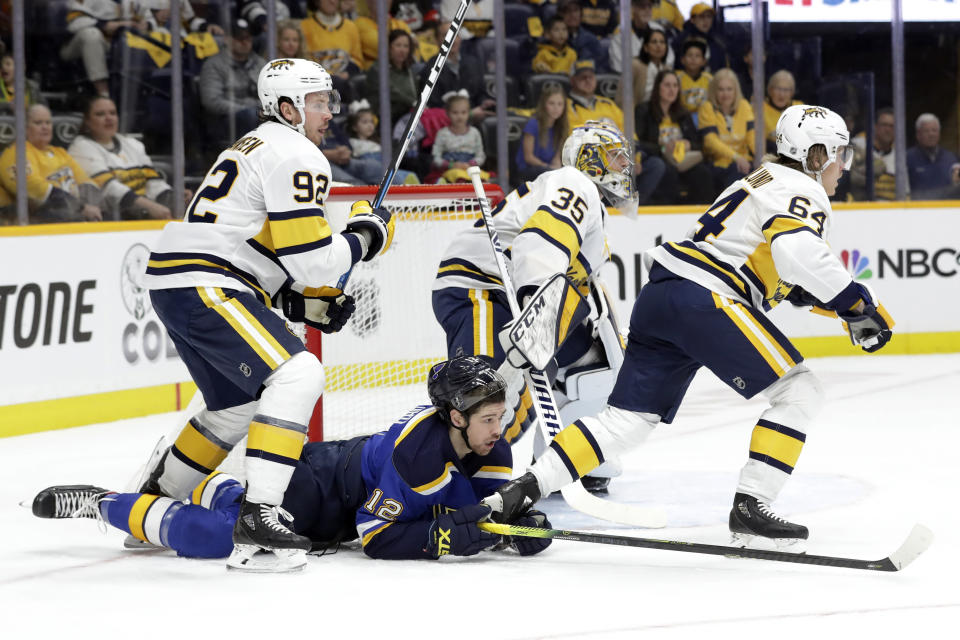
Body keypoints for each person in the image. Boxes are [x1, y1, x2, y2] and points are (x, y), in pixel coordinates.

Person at [489, 104, 896, 551]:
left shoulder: (761, 179)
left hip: (663, 295)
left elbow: (780, 271)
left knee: (626, 420)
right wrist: (862, 304)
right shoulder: (802, 187)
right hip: (707, 297)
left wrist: (845, 311)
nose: (843, 165)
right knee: (800, 390)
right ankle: (752, 506)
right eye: (839, 154)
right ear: (814, 155)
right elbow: (800, 255)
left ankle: (521, 490)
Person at [138, 58, 396, 572]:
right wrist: (366, 236)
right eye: (318, 102)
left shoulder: (256, 145)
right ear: (288, 108)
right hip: (205, 280)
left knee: (233, 410)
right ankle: (259, 517)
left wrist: (302, 303)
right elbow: (313, 260)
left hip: (183, 279)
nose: (329, 112)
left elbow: (257, 254)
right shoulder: (295, 153)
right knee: (299, 372)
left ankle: (151, 502)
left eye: (328, 100)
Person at [30, 357, 552, 564]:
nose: (499, 429)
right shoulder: (416, 454)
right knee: (219, 537)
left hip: (346, 490)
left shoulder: (491, 442)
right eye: (488, 419)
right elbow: (377, 537)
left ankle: (203, 484)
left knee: (230, 514)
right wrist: (447, 538)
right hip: (322, 486)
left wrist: (512, 526)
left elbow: (480, 506)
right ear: (455, 418)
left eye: (501, 416)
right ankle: (105, 503)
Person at [432, 120, 639, 492]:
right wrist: (537, 309)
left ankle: (565, 462)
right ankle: (442, 477)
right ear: (590, 159)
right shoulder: (575, 183)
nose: (624, 165)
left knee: (598, 364)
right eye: (615, 157)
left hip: (522, 299)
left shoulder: (596, 223)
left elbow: (584, 295)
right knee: (482, 392)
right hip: (482, 286)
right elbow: (540, 240)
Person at [69, 95, 189, 220]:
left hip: (145, 213)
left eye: (113, 113)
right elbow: (110, 190)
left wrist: (173, 198)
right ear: (87, 121)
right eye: (100, 114)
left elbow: (154, 183)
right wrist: (150, 207)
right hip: (110, 219)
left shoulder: (133, 144)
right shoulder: (80, 147)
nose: (109, 118)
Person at [0, 104, 103, 223]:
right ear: (25, 128)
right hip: (36, 221)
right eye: (38, 123)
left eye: (48, 123)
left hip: (73, 214)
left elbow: (84, 180)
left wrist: (92, 206)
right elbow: (33, 188)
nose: (45, 127)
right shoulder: (16, 153)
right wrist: (81, 207)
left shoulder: (60, 153)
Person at [635, 69, 713, 204]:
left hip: (683, 160)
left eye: (675, 85)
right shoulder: (644, 110)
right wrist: (663, 148)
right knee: (668, 172)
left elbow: (699, 144)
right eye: (667, 85)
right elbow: (638, 142)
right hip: (658, 157)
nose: (672, 90)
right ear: (657, 87)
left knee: (703, 173)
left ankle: (698, 214)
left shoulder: (683, 113)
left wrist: (688, 144)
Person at [198, 19, 265, 151]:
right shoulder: (214, 65)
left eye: (248, 38)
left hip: (258, 115)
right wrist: (245, 109)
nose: (245, 42)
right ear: (227, 39)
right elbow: (212, 101)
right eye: (239, 38)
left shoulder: (259, 63)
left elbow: (271, 94)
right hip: (225, 120)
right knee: (250, 115)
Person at [60, 0, 150, 97]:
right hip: (74, 44)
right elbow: (74, 21)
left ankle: (140, 95)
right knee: (91, 34)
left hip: (118, 43)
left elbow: (149, 17)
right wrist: (104, 25)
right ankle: (104, 94)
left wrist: (147, 24)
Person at [420, 20, 492, 123]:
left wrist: (485, 102)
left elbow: (480, 93)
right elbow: (434, 107)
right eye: (445, 35)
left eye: (455, 35)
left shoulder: (474, 63)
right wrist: (469, 114)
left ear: (460, 38)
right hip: (446, 125)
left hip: (477, 120)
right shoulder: (430, 69)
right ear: (437, 40)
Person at [698, 69, 756, 191]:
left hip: (745, 162)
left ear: (736, 91)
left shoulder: (744, 105)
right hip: (719, 163)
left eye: (729, 89)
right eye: (721, 89)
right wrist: (736, 157)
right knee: (737, 176)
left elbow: (752, 138)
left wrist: (762, 158)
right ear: (714, 91)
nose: (726, 94)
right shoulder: (707, 108)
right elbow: (710, 141)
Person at [346, 99, 419, 185]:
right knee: (401, 179)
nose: (370, 125)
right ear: (354, 127)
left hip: (386, 168)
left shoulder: (378, 142)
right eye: (365, 122)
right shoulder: (352, 143)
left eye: (371, 122)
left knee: (410, 175)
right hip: (374, 172)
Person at [430, 90, 489, 183]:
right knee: (458, 177)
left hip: (470, 169)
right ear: (447, 113)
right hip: (449, 170)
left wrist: (470, 164)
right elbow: (435, 157)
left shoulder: (475, 132)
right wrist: (450, 165)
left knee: (482, 179)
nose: (459, 116)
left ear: (469, 113)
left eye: (463, 112)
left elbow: (481, 155)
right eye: (455, 112)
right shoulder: (442, 133)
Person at [515, 86, 569, 184]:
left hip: (548, 170)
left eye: (560, 104)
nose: (556, 108)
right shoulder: (533, 124)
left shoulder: (561, 127)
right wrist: (548, 168)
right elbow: (529, 157)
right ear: (544, 105)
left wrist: (557, 169)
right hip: (529, 169)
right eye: (551, 103)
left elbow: (557, 159)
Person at [850, 107, 906, 201]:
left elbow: (906, 194)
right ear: (875, 126)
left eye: (892, 126)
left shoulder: (900, 157)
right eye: (884, 125)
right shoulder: (858, 145)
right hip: (859, 209)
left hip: (890, 211)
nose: (888, 129)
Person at [365, 29, 419, 126]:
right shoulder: (377, 69)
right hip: (385, 118)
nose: (402, 50)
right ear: (389, 47)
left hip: (408, 114)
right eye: (398, 45)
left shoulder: (410, 71)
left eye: (406, 46)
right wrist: (414, 103)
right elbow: (391, 91)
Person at [906, 113, 960, 200]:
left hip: (948, 210)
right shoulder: (907, 158)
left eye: (934, 130)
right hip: (919, 210)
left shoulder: (952, 158)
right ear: (918, 134)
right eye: (926, 131)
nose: (931, 134)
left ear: (939, 133)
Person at [617, 26, 672, 107]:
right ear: (646, 47)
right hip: (637, 114)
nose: (659, 45)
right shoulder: (634, 66)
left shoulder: (667, 69)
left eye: (662, 42)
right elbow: (622, 97)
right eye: (654, 42)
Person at [674, 2, 729, 72]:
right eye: (701, 16)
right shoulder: (681, 41)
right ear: (692, 19)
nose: (706, 21)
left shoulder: (717, 42)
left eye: (709, 16)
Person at [558, 0, 609, 72]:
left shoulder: (590, 40)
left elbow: (599, 69)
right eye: (567, 11)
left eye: (576, 10)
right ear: (560, 15)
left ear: (581, 14)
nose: (572, 15)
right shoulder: (554, 39)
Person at [762, 70, 802, 153]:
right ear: (770, 90)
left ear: (792, 92)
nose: (782, 94)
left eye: (786, 90)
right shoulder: (760, 108)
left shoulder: (799, 108)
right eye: (778, 89)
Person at [676, 38, 711, 115]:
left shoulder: (710, 79)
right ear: (683, 60)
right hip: (682, 118)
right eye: (689, 55)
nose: (693, 59)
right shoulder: (676, 78)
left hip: (705, 117)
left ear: (704, 61)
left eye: (697, 56)